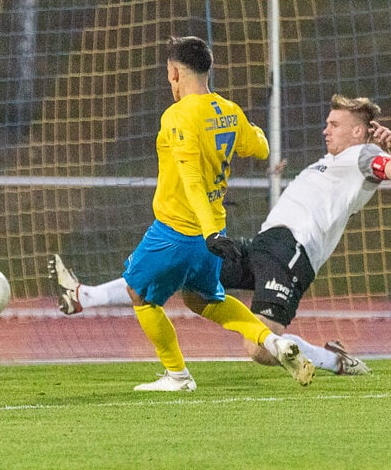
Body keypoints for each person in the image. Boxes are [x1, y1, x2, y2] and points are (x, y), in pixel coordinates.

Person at [48, 94, 391, 376]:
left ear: (358, 131)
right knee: (186, 268)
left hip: (292, 253)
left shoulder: (365, 155)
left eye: (334, 124)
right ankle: (84, 296)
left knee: (257, 350)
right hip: (263, 244)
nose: (325, 130)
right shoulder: (328, 162)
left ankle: (332, 361)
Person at [118, 35, 314, 392]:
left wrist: (209, 231)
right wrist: (245, 125)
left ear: (175, 73)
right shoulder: (228, 111)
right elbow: (261, 147)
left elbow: (191, 178)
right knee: (202, 299)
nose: (169, 83)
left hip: (178, 231)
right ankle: (272, 342)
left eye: (169, 75)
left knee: (137, 293)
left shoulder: (177, 116)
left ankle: (177, 375)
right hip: (212, 236)